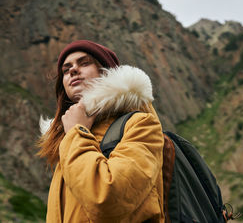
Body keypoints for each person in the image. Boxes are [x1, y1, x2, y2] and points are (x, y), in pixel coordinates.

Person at [38, 40, 165, 223]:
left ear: (106, 71)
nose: (73, 70)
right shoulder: (66, 142)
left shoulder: (141, 124)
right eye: (66, 70)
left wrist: (76, 131)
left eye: (84, 63)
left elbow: (107, 198)